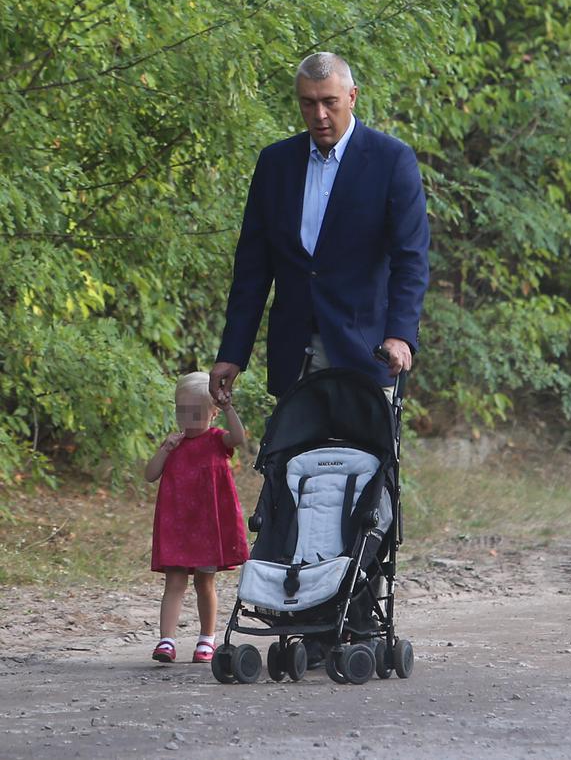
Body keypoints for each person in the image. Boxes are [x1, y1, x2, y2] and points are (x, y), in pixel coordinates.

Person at [209, 51, 429, 405]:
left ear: (352, 97)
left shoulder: (392, 161)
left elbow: (411, 259)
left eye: (330, 102)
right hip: (293, 354)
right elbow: (253, 268)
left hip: (366, 351)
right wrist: (232, 352)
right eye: (308, 103)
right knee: (292, 461)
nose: (320, 115)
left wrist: (400, 335)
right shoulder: (275, 164)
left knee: (363, 462)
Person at [146, 372, 249, 664]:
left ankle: (207, 639)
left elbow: (239, 438)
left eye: (196, 413)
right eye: (182, 413)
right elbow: (150, 474)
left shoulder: (217, 441)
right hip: (177, 525)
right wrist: (164, 449)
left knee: (205, 582)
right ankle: (166, 640)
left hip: (207, 525)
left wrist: (229, 408)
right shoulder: (174, 445)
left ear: (213, 414)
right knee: (174, 582)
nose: (187, 420)